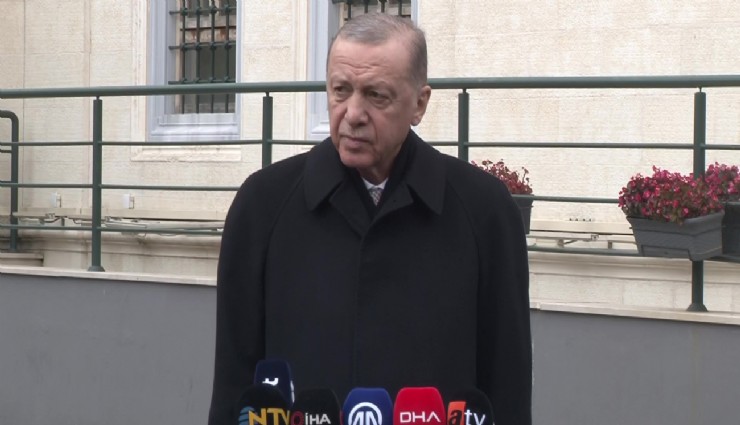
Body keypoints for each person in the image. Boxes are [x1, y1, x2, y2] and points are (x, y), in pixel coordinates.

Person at [208, 13, 531, 425]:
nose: (353, 113)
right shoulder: (263, 205)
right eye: (340, 90)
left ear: (419, 104)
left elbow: (507, 383)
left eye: (376, 95)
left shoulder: (485, 211)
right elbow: (234, 380)